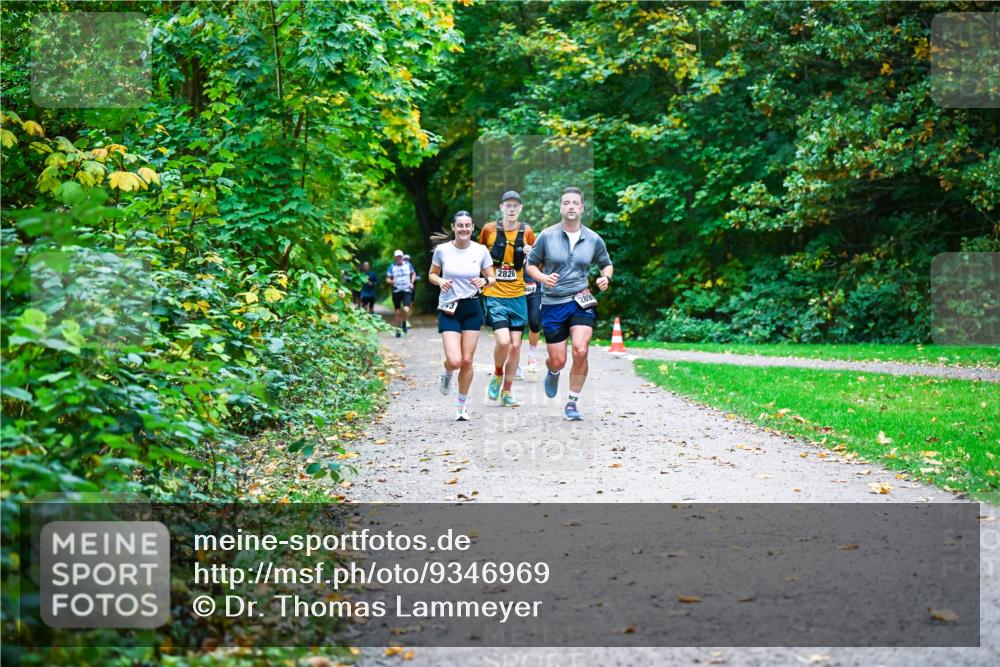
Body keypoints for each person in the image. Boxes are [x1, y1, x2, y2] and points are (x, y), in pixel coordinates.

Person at [525, 187, 613, 421]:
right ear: (561, 207)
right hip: (553, 302)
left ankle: (572, 402)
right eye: (567, 203)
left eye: (576, 203)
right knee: (559, 360)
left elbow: (606, 263)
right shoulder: (547, 235)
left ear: (582, 208)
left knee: (581, 350)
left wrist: (606, 277)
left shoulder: (593, 238)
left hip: (580, 300)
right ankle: (553, 370)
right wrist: (543, 278)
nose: (571, 206)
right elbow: (530, 265)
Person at [428, 211, 496, 421]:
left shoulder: (481, 250)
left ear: (473, 227)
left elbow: (492, 277)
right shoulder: (442, 250)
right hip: (449, 308)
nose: (464, 229)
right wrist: (440, 282)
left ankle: (461, 406)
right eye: (460, 226)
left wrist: (485, 282)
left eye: (467, 226)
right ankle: (448, 372)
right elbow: (432, 274)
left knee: (467, 361)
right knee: (455, 360)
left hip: (472, 308)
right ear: (454, 227)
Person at [478, 191, 536, 407]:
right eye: (508, 205)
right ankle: (497, 374)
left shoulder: (527, 232)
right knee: (503, 342)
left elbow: (537, 261)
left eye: (516, 206)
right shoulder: (489, 230)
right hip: (495, 294)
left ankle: (508, 392)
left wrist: (531, 253)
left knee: (515, 346)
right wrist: (484, 278)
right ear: (501, 207)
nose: (512, 209)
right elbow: (479, 255)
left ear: (520, 209)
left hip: (518, 295)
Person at [386, 249, 416, 337]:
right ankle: (398, 329)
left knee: (406, 309)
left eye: (400, 256)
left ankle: (404, 322)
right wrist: (392, 281)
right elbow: (387, 279)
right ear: (395, 258)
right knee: (397, 311)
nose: (399, 258)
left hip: (406, 290)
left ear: (402, 257)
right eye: (397, 257)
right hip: (396, 291)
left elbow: (413, 273)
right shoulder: (391, 267)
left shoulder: (408, 265)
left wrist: (411, 282)